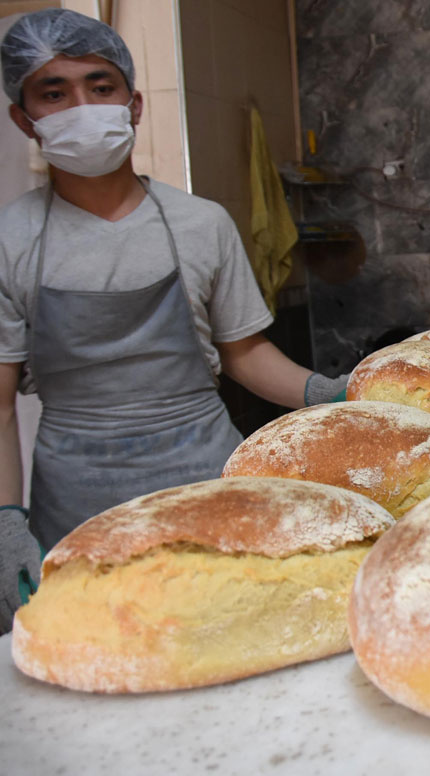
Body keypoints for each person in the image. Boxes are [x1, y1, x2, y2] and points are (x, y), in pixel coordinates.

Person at [0, 9, 346, 632]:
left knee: (234, 631)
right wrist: (5, 523)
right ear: (23, 118)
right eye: (54, 93)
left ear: (132, 104)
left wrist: (330, 395)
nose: (82, 105)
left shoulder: (200, 223)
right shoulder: (9, 239)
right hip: (76, 503)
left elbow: (244, 354)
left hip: (208, 480)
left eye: (100, 87)